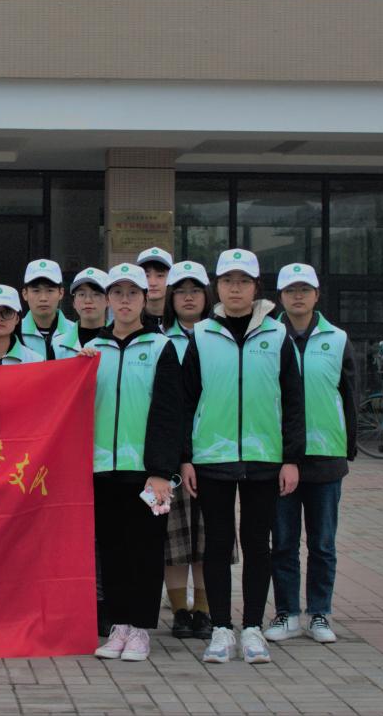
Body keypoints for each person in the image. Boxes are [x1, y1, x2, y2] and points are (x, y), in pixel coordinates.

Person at [152, 247, 304, 665]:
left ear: (256, 287)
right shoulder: (201, 335)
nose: (235, 289)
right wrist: (185, 457)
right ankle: (220, 628)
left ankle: (252, 627)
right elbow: (186, 402)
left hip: (265, 457)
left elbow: (294, 401)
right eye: (227, 281)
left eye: (243, 282)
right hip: (211, 459)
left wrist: (291, 458)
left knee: (258, 544)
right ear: (216, 287)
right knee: (216, 545)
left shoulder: (277, 335)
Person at [83, 263, 183, 662]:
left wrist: (161, 472)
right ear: (108, 299)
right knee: (112, 550)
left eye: (132, 293)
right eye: (117, 293)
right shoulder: (93, 349)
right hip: (102, 470)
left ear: (145, 298)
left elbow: (169, 414)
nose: (124, 301)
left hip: (147, 474)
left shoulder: (161, 347)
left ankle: (140, 628)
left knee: (146, 549)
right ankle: (119, 625)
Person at [266, 263, 357, 646]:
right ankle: (287, 613)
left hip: (325, 456)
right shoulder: (268, 337)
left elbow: (348, 394)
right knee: (284, 542)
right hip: (279, 457)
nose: (298, 296)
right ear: (280, 297)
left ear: (317, 295)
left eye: (304, 289)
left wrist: (348, 447)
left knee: (322, 544)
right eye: (291, 290)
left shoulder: (337, 338)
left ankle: (320, 612)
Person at [159, 260, 214, 639]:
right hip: (171, 456)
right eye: (181, 291)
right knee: (174, 539)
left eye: (195, 290)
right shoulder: (160, 340)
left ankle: (205, 611)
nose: (189, 297)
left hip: (212, 453)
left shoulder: (218, 337)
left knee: (208, 538)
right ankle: (180, 610)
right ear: (171, 298)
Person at [18, 259, 80, 360]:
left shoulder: (76, 332)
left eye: (50, 290)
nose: (43, 298)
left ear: (61, 293)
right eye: (36, 291)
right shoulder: (13, 333)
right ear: (25, 294)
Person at [70, 267, 110, 348]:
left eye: (96, 294)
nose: (88, 300)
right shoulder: (57, 343)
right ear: (74, 302)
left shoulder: (120, 342)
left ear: (108, 300)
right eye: (82, 294)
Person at [137, 247, 172, 331]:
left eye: (160, 275)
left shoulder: (182, 320)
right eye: (146, 276)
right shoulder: (129, 322)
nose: (153, 283)